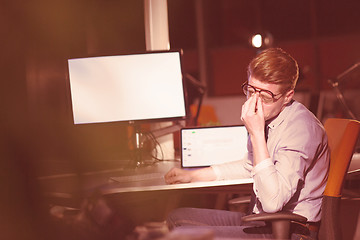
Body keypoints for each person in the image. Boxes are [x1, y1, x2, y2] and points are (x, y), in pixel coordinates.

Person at [164, 48, 330, 239]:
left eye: (266, 98)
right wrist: (193, 176)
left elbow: (273, 203)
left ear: (288, 96)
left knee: (187, 237)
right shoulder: (271, 119)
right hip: (263, 220)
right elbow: (250, 166)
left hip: (291, 231)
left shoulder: (300, 129)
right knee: (176, 218)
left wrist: (257, 133)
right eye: (251, 91)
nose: (255, 103)